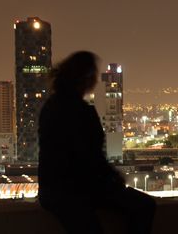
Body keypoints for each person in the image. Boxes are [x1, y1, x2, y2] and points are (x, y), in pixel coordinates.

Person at [38, 51, 156, 234]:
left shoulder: (50, 106)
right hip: (76, 191)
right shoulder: (82, 112)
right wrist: (114, 178)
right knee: (144, 206)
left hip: (52, 191)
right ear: (85, 78)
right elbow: (90, 157)